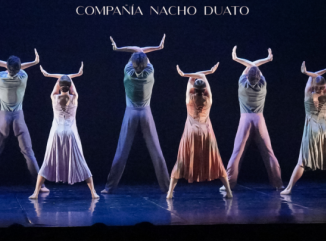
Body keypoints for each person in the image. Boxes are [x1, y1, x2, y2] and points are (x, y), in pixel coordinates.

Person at [102, 35, 170, 194]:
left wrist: (118, 48)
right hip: (146, 112)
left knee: (121, 151)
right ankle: (167, 188)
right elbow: (140, 51)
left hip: (131, 113)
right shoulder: (150, 71)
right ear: (146, 63)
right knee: (156, 151)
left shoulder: (128, 72)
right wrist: (158, 47)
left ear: (132, 63)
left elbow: (137, 50)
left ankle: (109, 187)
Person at [0, 48, 47, 193]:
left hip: (3, 118)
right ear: (19, 68)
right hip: (18, 118)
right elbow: (17, 68)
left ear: (7, 68)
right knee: (29, 153)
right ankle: (40, 186)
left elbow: (5, 66)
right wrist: (34, 62)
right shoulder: (23, 76)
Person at [281, 58, 326, 195]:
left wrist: (306, 72)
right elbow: (319, 79)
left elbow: (313, 77)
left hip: (312, 129)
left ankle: (289, 188)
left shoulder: (308, 92)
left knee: (302, 162)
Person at [29, 63, 99, 199]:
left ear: (59, 86)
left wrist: (50, 75)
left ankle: (36, 193)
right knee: (81, 161)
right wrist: (75, 75)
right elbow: (68, 84)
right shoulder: (74, 98)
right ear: (71, 86)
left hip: (56, 133)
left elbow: (60, 83)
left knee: (47, 161)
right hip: (70, 134)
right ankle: (93, 192)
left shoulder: (54, 97)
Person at [167, 63, 233, 199]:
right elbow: (202, 77)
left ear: (194, 89)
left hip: (190, 133)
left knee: (182, 160)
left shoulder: (189, 100)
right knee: (215, 159)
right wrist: (209, 72)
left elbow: (192, 79)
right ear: (204, 90)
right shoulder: (208, 100)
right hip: (206, 132)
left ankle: (170, 192)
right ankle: (229, 191)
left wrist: (184, 74)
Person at [224, 46, 283, 191]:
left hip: (245, 120)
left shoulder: (242, 83)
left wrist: (236, 58)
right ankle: (278, 184)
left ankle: (229, 184)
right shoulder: (263, 84)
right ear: (258, 77)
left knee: (237, 153)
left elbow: (251, 66)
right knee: (269, 152)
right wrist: (267, 59)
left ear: (247, 77)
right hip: (259, 120)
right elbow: (254, 67)